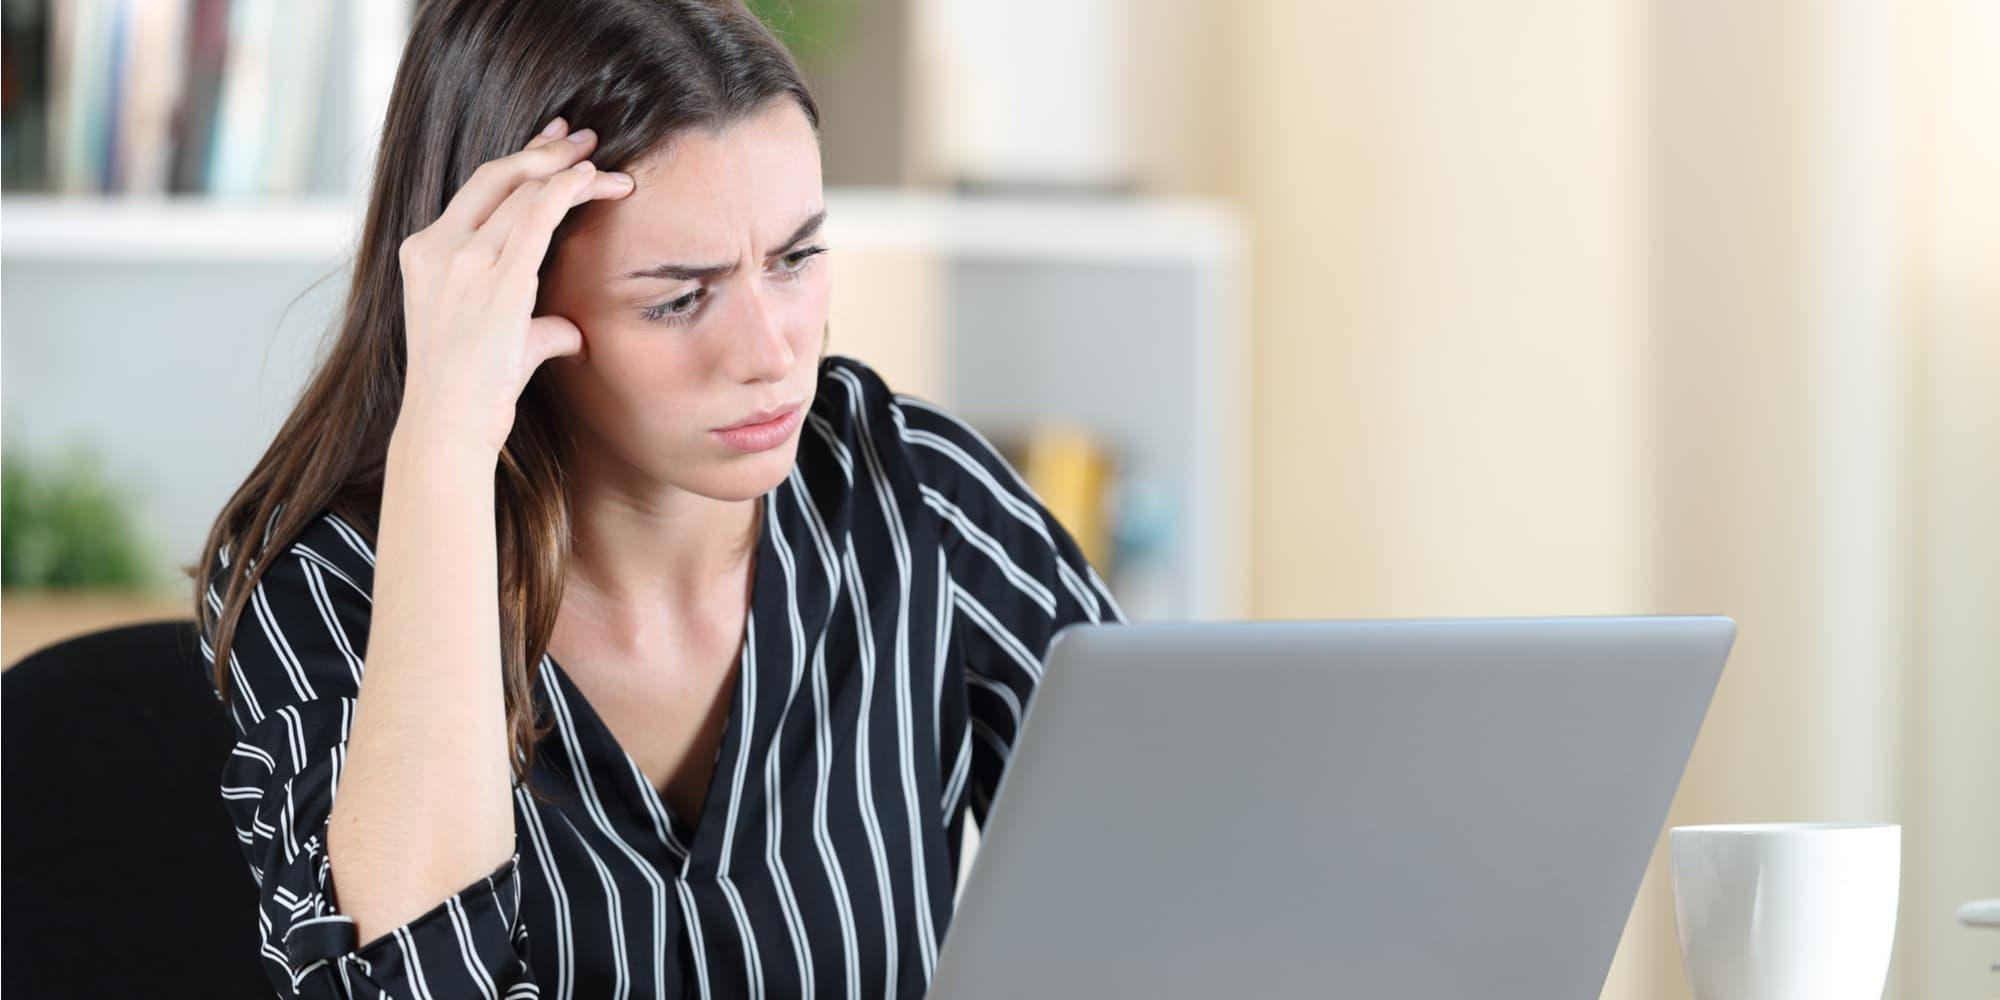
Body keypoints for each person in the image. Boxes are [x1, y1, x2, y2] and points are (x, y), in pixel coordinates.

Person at [189, 1, 1123, 996]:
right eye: (679, 296)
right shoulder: (328, 582)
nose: (769, 356)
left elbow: (1186, 871)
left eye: (796, 258)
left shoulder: (913, 495)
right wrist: (443, 450)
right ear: (506, 297)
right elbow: (405, 982)